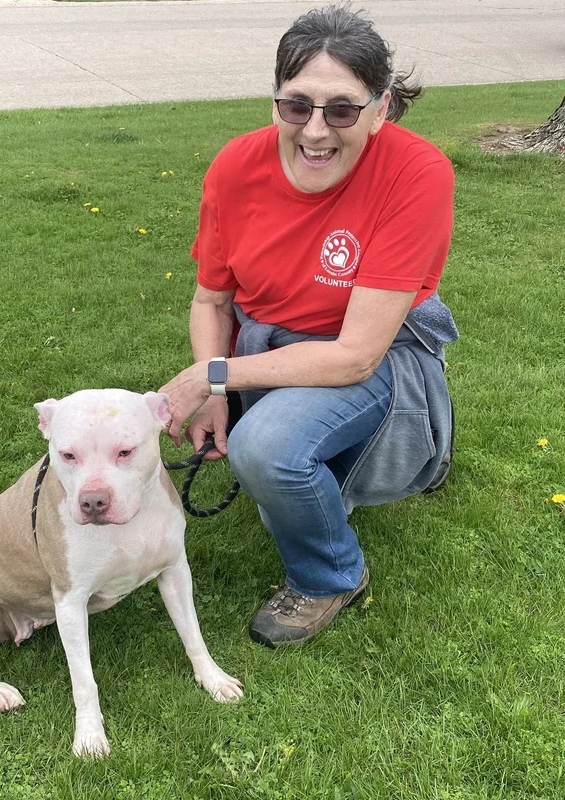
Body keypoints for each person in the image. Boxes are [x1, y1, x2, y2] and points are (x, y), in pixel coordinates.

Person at [159, 4, 458, 649]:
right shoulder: (236, 166)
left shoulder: (417, 172)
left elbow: (354, 356)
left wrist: (212, 374)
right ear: (275, 103)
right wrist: (216, 394)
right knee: (273, 458)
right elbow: (211, 300)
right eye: (297, 105)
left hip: (367, 352)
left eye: (342, 110)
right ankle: (371, 464)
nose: (316, 131)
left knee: (265, 451)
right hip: (266, 344)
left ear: (381, 108)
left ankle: (329, 577)